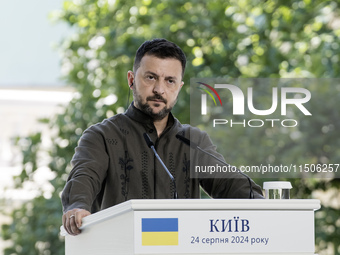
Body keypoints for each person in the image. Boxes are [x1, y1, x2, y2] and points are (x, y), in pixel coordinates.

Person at [62, 38, 263, 236]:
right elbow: (83, 177)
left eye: (170, 81)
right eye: (151, 77)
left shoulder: (193, 141)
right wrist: (77, 207)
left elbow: (229, 184)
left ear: (179, 87)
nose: (159, 89)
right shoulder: (101, 136)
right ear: (131, 80)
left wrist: (265, 205)